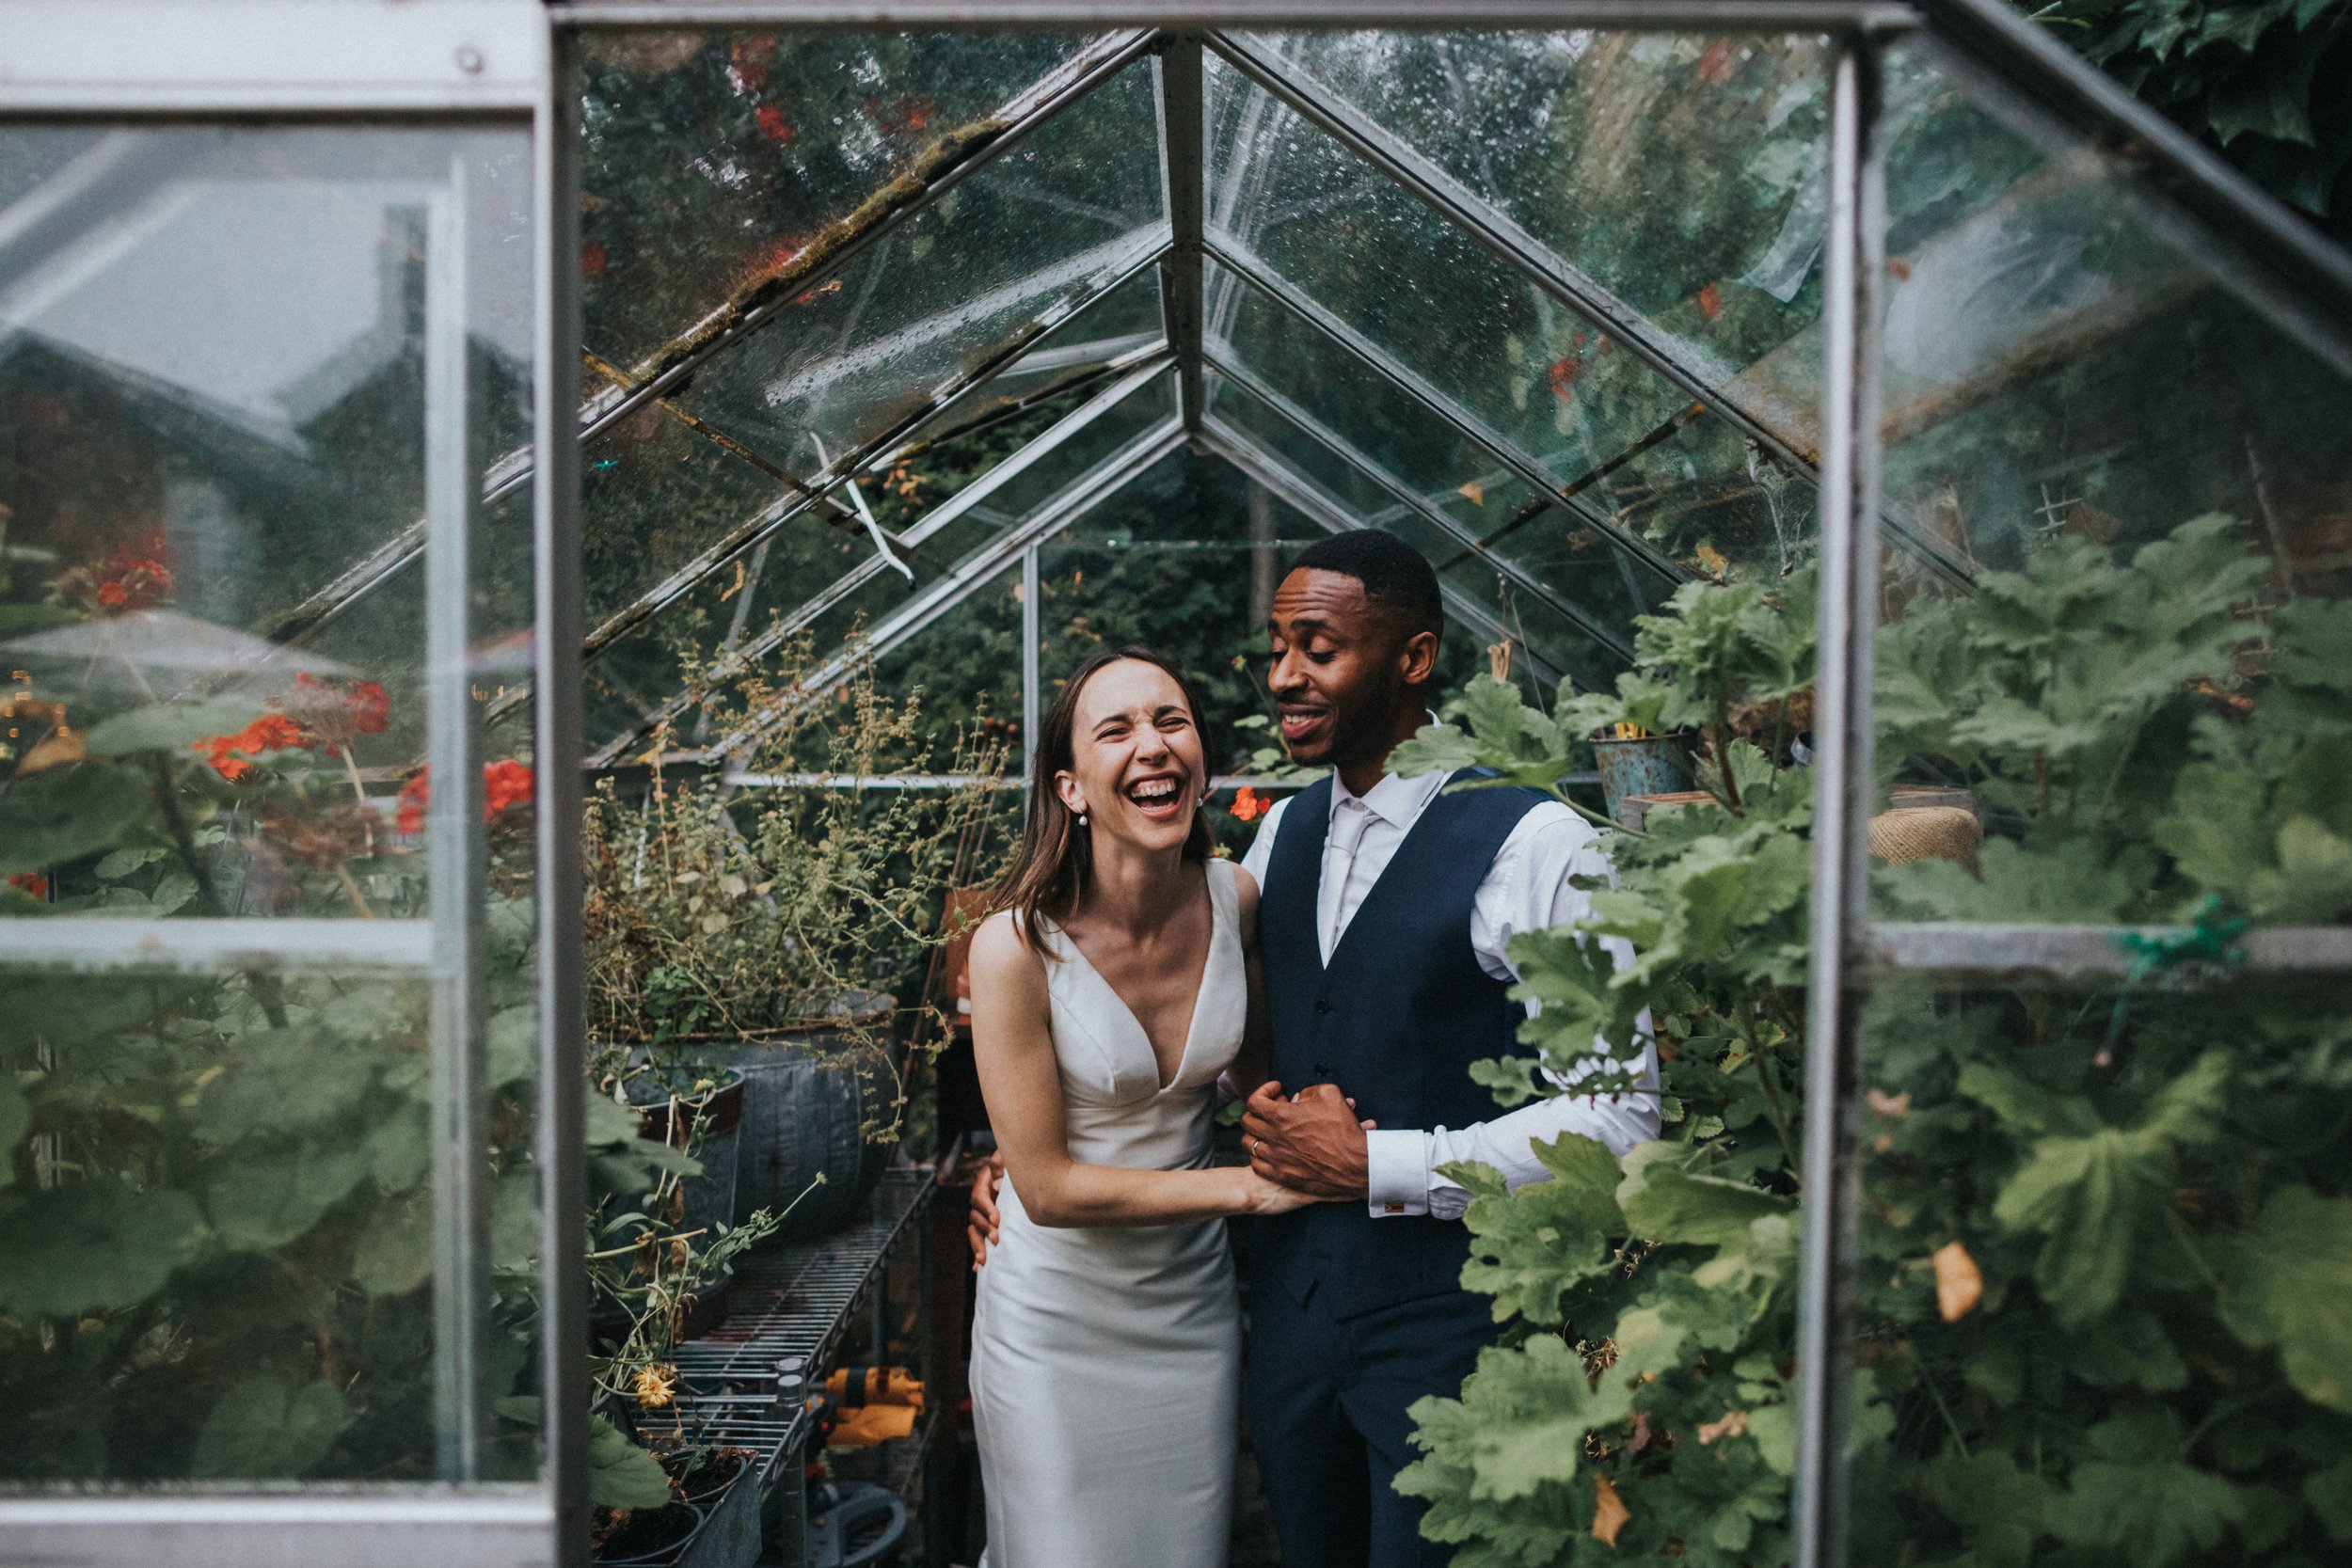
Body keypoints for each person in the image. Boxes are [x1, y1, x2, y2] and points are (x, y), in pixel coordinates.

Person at [972, 531, 1661, 1568]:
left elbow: (1619, 1113)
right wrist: (1025, 1162)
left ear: (1414, 657)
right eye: (1277, 647)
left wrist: (1378, 1164)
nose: (1284, 675)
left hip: (1452, 1330)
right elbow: (1231, 1054)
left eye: (1319, 646)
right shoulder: (1274, 846)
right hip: (1286, 1327)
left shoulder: (1542, 845)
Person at [962, 645, 1333, 1568]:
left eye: (1171, 720)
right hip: (1053, 1316)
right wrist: (1250, 1191)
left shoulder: (1235, 896)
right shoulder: (1012, 949)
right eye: (1116, 728)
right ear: (1071, 786)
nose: (1154, 746)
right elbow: (1044, 1187)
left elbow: (1264, 1082)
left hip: (1190, 1309)